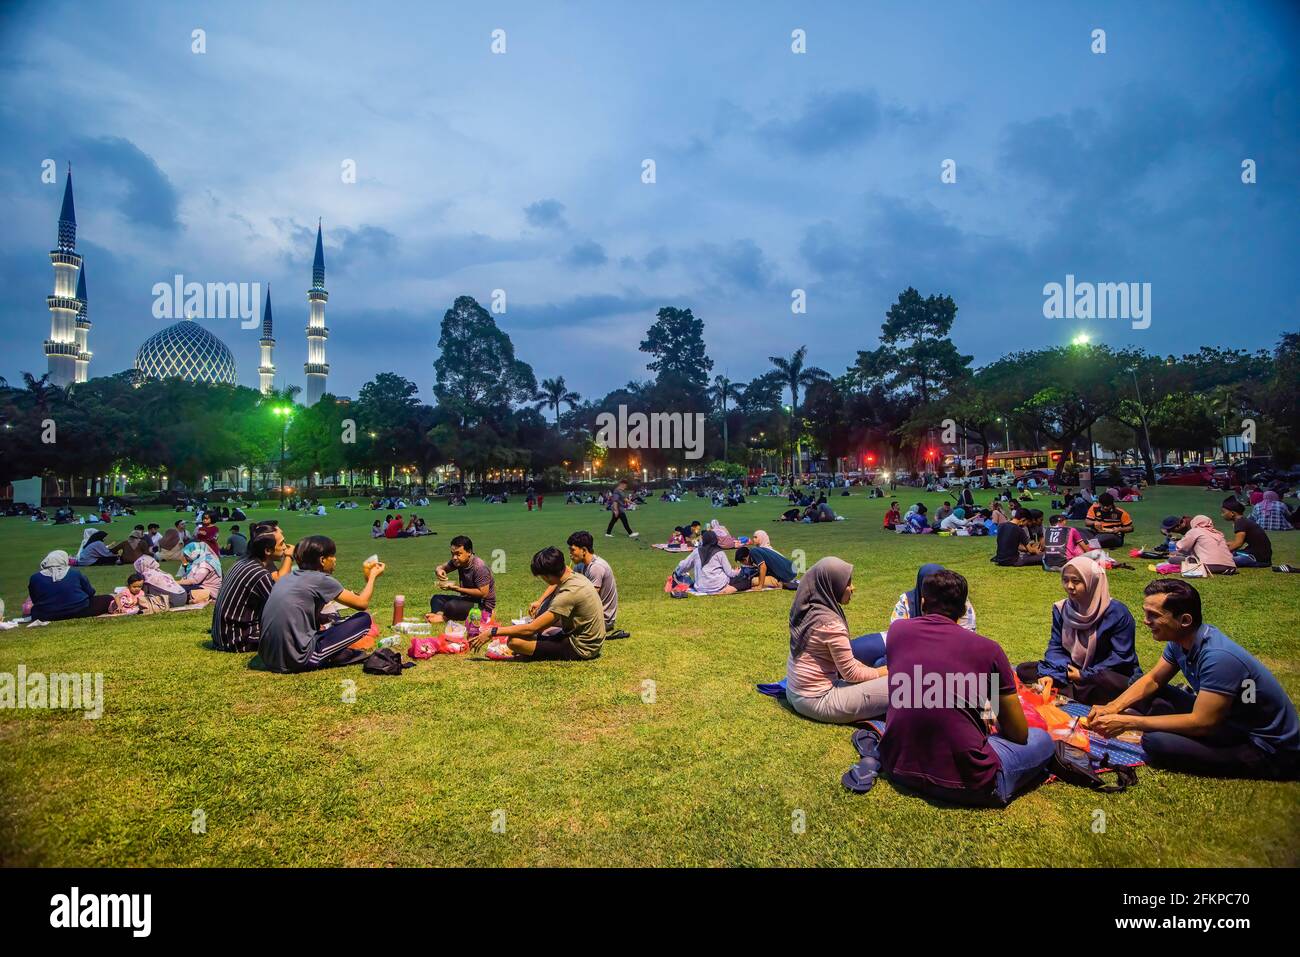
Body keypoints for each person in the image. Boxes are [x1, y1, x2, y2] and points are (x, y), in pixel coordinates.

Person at [1085, 580, 1299, 779]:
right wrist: (1112, 707)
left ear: (1184, 620)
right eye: (1145, 613)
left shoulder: (1219, 657)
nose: (1146, 621)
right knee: (1141, 685)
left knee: (1155, 742)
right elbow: (1153, 680)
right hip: (1226, 719)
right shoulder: (1179, 640)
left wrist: (1129, 722)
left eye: (1154, 615)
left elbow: (1202, 723)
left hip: (1263, 746)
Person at [879, 569, 1054, 806]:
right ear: (963, 610)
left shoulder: (898, 632)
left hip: (897, 766)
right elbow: (1018, 734)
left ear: (922, 602)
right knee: (1041, 739)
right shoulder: (988, 650)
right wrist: (987, 716)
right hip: (970, 782)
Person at [1015, 557, 1141, 704]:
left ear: (1092, 582)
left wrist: (1084, 675)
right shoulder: (1062, 609)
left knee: (1114, 682)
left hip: (1105, 673)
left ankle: (1076, 691)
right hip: (1071, 670)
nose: (1069, 586)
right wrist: (1052, 674)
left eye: (1076, 581)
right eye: (1065, 580)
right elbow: (1056, 646)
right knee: (1024, 669)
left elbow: (1121, 657)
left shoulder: (1117, 613)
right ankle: (1076, 691)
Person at [256, 536, 385, 673]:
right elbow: (362, 603)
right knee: (364, 619)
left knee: (328, 619)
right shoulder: (321, 579)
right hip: (297, 659)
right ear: (322, 560)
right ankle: (327, 655)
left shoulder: (287, 578)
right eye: (332, 556)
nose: (335, 560)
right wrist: (372, 576)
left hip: (267, 657)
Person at [784, 557, 889, 723]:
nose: (853, 588)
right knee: (905, 685)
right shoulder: (829, 624)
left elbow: (848, 665)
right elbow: (851, 674)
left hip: (795, 692)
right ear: (831, 585)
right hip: (819, 700)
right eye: (847, 583)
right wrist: (887, 671)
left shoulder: (808, 609)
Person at [470, 547, 605, 661]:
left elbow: (532, 628)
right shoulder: (575, 577)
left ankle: (534, 654)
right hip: (590, 640)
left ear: (547, 576)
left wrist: (492, 632)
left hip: (581, 647)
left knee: (514, 642)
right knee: (544, 631)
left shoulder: (568, 594)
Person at [850, 562, 976, 666]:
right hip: (910, 645)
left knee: (882, 663)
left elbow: (966, 637)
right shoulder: (907, 600)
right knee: (857, 649)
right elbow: (897, 634)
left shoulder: (958, 601)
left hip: (947, 648)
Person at [210, 534, 282, 652]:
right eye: (282, 544)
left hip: (222, 636)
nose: (285, 547)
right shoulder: (259, 574)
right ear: (268, 550)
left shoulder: (241, 562)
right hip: (239, 640)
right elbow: (281, 606)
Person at [426, 535, 496, 623]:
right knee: (437, 598)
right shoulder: (459, 561)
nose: (454, 558)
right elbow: (441, 567)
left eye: (458, 554)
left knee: (451, 606)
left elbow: (483, 593)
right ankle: (439, 615)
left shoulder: (479, 567)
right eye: (452, 554)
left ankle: (444, 617)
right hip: (467, 600)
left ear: (469, 552)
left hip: (482, 605)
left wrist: (458, 589)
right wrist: (439, 571)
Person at [28, 550, 114, 620]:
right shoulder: (74, 573)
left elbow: (35, 600)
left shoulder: (35, 578)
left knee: (35, 610)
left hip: (48, 614)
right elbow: (90, 592)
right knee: (108, 598)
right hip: (79, 610)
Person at [672, 530, 738, 594]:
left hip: (701, 587)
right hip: (719, 586)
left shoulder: (696, 552)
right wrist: (737, 571)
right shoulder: (720, 553)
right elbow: (729, 573)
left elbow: (684, 565)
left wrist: (677, 572)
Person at [1168, 515, 1238, 575]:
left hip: (1210, 566)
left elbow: (1181, 548)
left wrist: (1174, 552)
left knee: (1172, 559)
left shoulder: (1194, 531)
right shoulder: (1218, 534)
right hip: (1231, 566)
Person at [132, 555, 209, 607]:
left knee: (149, 591)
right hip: (183, 595)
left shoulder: (146, 576)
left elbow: (143, 594)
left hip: (174, 600)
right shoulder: (160, 571)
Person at [1220, 498, 1272, 568]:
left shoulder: (1240, 522)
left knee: (1223, 560)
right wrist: (1223, 544)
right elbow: (1237, 542)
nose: (1222, 515)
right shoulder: (1243, 521)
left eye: (1224, 512)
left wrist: (1222, 552)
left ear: (1232, 513)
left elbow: (1238, 544)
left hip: (1256, 558)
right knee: (1232, 554)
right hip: (1261, 556)